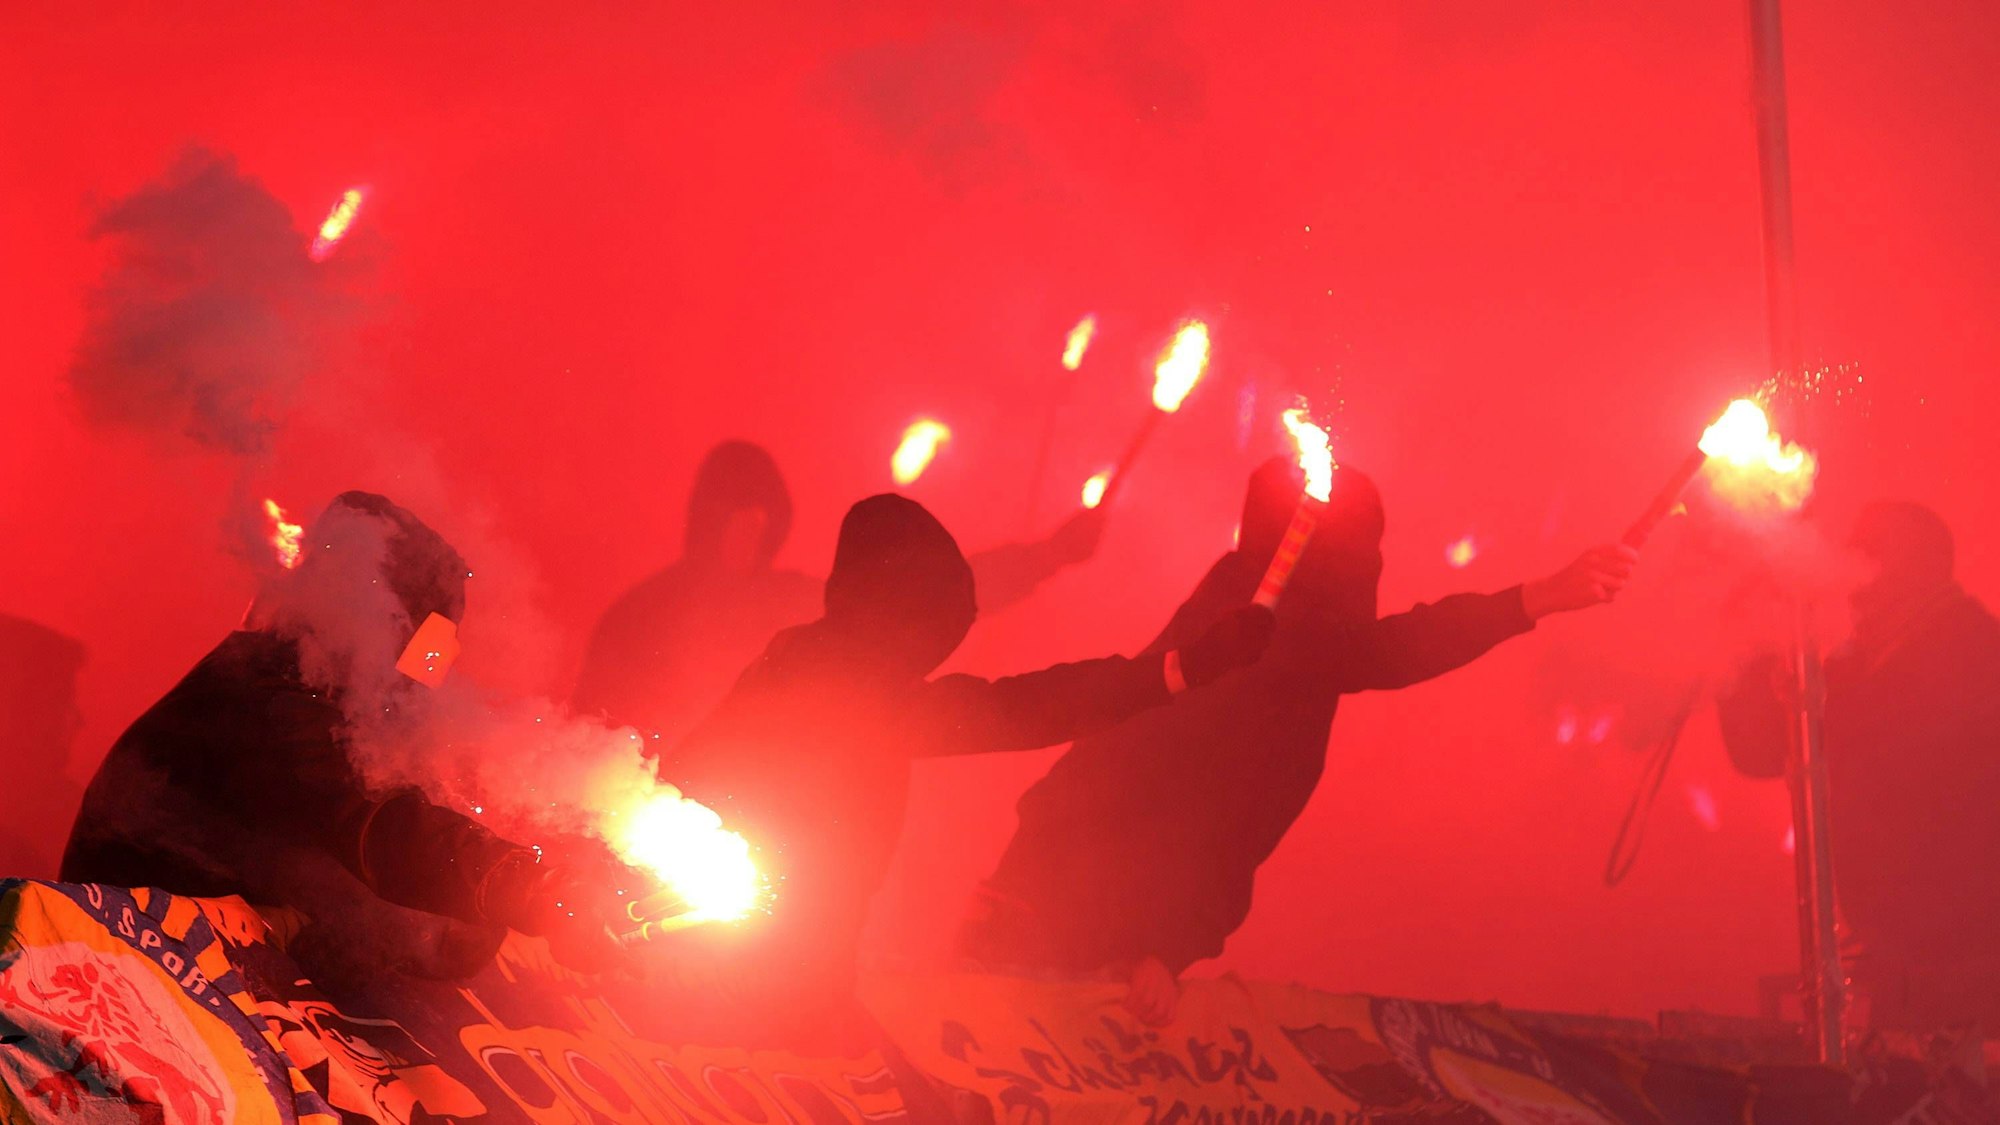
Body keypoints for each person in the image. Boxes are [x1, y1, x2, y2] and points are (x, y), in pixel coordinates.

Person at [960, 458, 1637, 1024]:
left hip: (1078, 921)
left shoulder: (1267, 639)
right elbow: (1392, 649)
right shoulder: (1254, 635)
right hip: (1050, 919)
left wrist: (1160, 950)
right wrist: (1535, 598)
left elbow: (1232, 830)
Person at [651, 493, 1273, 1051]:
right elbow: (1022, 709)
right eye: (929, 621)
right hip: (745, 987)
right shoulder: (848, 695)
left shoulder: (810, 661)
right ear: (900, 617)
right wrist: (1184, 668)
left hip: (768, 974)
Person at [62, 492, 627, 980]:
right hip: (130, 990)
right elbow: (380, 830)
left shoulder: (303, 695)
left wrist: (527, 872)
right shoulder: (268, 701)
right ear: (383, 622)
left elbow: (427, 930)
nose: (425, 680)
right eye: (424, 653)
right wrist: (531, 889)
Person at [572, 440, 1107, 750]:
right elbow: (594, 733)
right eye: (733, 520)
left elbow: (911, 600)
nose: (747, 535)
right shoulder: (645, 616)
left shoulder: (788, 602)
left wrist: (1043, 557)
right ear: (705, 521)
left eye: (761, 520)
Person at [1717, 501, 2000, 1030]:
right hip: (1906, 952)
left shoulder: (1972, 652)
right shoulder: (1859, 664)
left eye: (1870, 550)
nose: (1850, 566)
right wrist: (1747, 642)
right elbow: (1760, 749)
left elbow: (1899, 757)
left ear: (1918, 565)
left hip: (1972, 955)